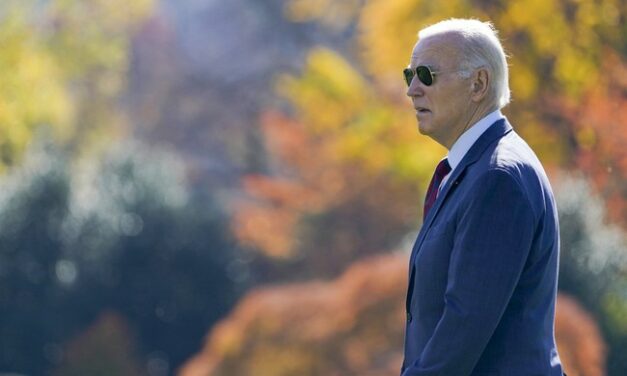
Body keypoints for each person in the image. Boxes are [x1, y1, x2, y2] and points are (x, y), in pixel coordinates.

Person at [401, 19, 565, 375]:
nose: (412, 89)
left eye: (426, 74)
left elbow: (464, 326)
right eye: (408, 75)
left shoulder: (497, 177)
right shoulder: (477, 169)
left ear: (478, 84)